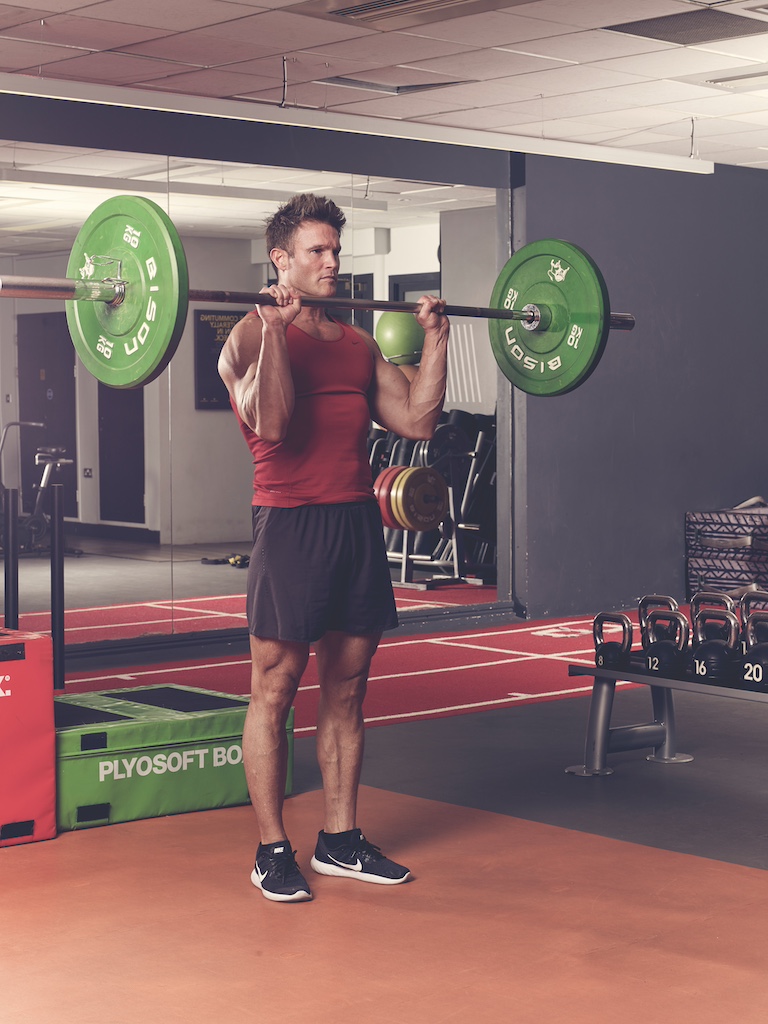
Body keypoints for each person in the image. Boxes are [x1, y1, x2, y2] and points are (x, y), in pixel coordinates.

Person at [218, 193, 448, 903]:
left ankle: (341, 840)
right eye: (317, 251)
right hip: (288, 525)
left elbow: (416, 420)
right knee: (275, 688)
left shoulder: (355, 343)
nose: (332, 263)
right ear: (280, 260)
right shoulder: (247, 340)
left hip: (353, 525)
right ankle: (271, 849)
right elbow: (276, 426)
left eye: (336, 251)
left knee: (347, 688)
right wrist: (275, 329)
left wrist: (437, 339)